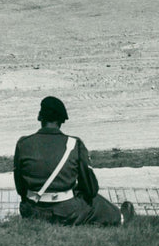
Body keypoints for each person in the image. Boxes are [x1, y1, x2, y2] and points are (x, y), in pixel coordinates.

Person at [13, 96, 134, 226]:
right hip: (65, 212)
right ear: (61, 120)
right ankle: (120, 217)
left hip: (32, 211)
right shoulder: (74, 144)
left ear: (39, 117)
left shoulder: (23, 144)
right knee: (94, 201)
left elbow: (20, 188)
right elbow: (91, 188)